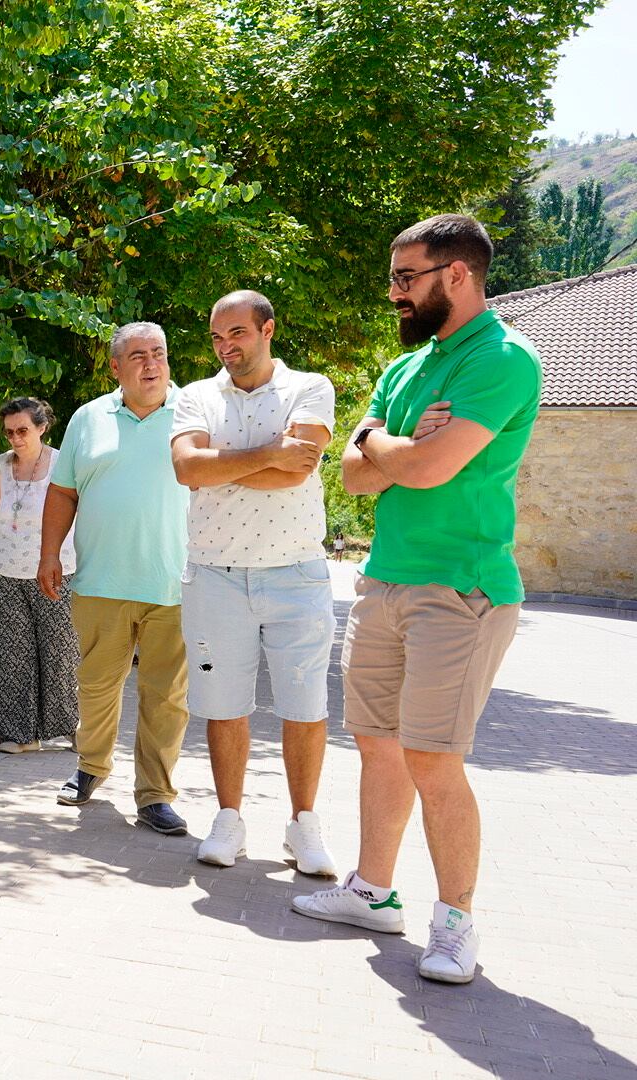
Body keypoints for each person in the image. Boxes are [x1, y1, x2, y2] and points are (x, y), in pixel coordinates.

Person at [294, 214, 542, 985]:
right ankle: (372, 892)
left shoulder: (502, 360)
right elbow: (354, 474)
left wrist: (386, 445)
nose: (394, 293)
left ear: (457, 276)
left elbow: (430, 469)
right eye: (395, 278)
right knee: (378, 743)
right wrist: (394, 447)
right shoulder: (408, 370)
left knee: (435, 758)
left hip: (461, 591)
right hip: (385, 579)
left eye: (408, 279)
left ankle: (457, 923)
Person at [169, 290, 339, 876]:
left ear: (268, 329)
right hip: (214, 572)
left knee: (305, 703)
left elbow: (298, 472)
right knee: (223, 705)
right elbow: (187, 469)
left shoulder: (310, 388)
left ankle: (304, 824)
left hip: (295, 570)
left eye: (237, 333)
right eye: (217, 338)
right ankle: (229, 819)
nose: (226, 348)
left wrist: (223, 465)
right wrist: (267, 453)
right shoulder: (194, 396)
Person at [39, 323, 192, 836]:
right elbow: (62, 493)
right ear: (115, 367)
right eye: (137, 356)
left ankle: (155, 795)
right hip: (101, 579)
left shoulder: (195, 413)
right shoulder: (88, 418)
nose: (151, 364)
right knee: (97, 686)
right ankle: (90, 767)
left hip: (177, 583)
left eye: (159, 354)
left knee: (166, 696)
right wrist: (48, 554)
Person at [0, 397, 79, 752]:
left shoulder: (62, 466)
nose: (16, 439)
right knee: (9, 653)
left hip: (55, 568)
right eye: (9, 433)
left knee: (60, 650)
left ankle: (70, 727)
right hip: (2, 569)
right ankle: (20, 735)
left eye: (23, 430)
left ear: (41, 427)